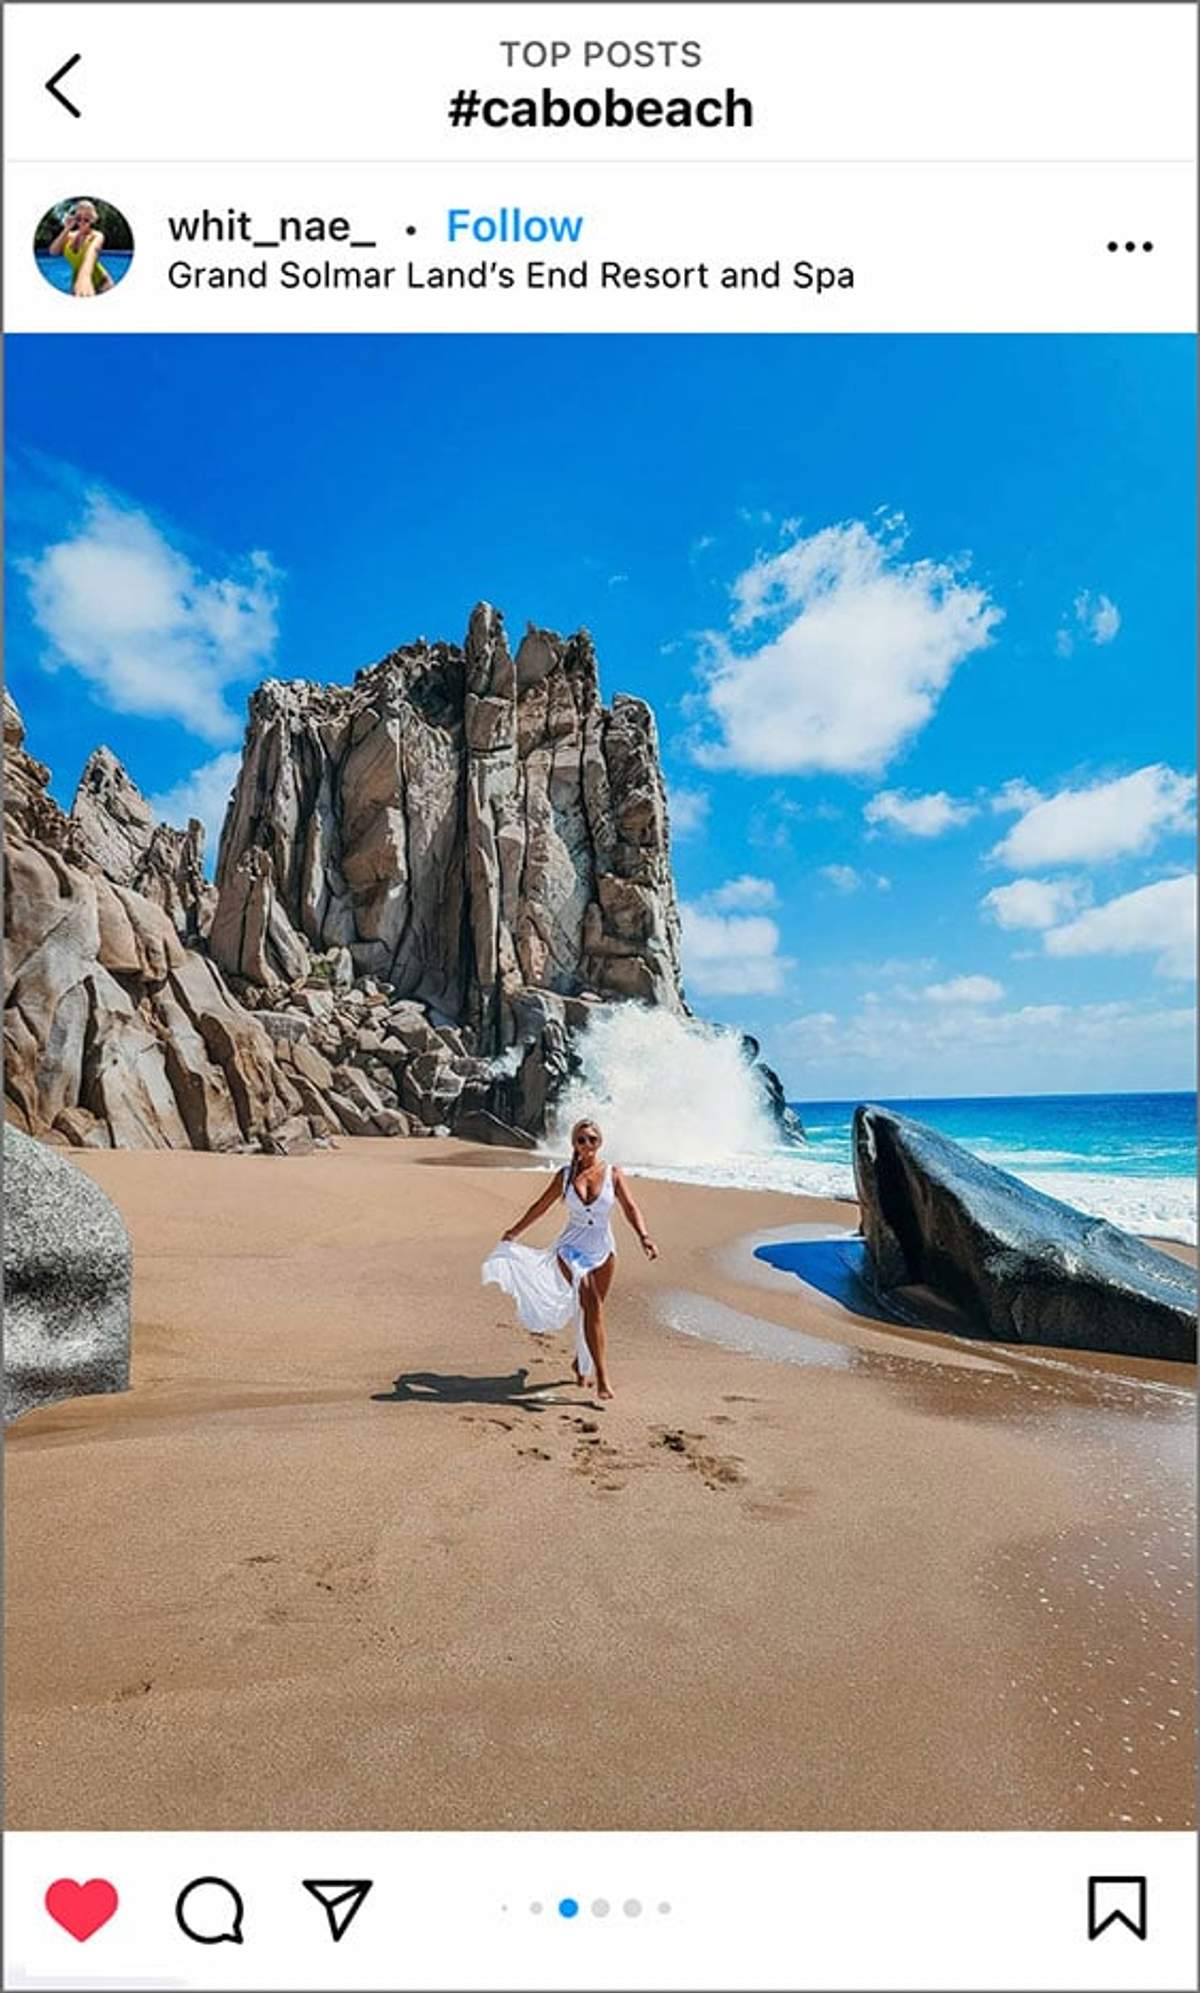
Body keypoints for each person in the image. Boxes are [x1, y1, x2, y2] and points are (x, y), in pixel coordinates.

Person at [482, 1118, 657, 1401]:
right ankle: (602, 1376)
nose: (587, 1144)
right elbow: (540, 1206)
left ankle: (581, 1361)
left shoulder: (613, 1174)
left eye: (592, 1139)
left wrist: (644, 1236)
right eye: (581, 1139)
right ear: (574, 1144)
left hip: (603, 1249)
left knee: (593, 1310)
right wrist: (514, 1232)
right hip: (570, 1248)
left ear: (600, 1142)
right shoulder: (564, 1176)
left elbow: (630, 1207)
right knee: (590, 1299)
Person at [48, 202, 115, 297]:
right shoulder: (69, 236)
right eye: (79, 218)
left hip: (102, 285)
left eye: (86, 219)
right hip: (77, 283)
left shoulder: (96, 236)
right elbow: (53, 252)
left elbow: (91, 254)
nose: (82, 222)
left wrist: (85, 277)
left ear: (92, 220)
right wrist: (66, 229)